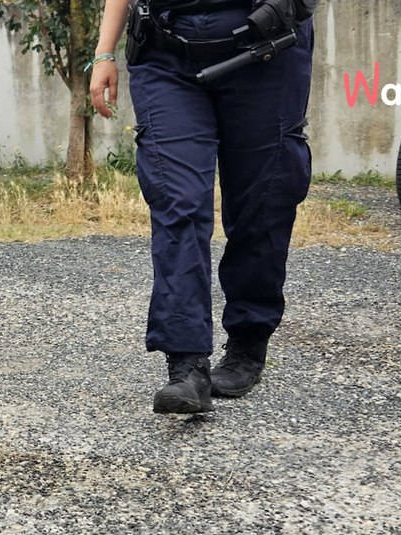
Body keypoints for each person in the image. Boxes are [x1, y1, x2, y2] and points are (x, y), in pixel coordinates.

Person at [89, 0, 315, 414]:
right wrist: (105, 51)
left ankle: (248, 340)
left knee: (262, 198)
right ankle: (187, 364)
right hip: (165, 48)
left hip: (264, 43)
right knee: (178, 200)